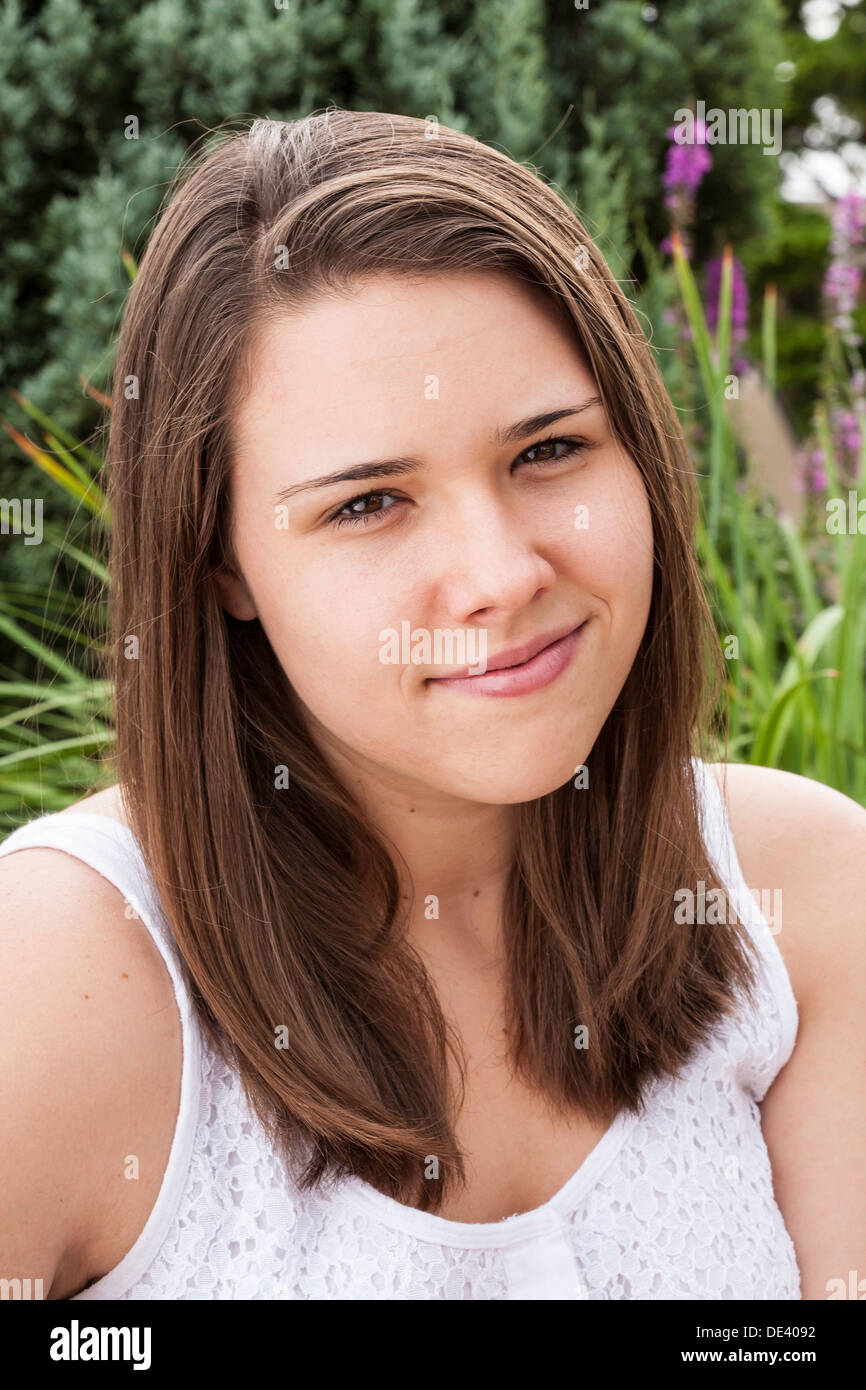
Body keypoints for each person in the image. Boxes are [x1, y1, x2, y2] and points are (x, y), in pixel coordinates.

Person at [1, 110, 864, 1302]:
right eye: (367, 504)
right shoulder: (55, 983)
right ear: (223, 565)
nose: (502, 573)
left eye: (548, 451)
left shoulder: (801, 902)